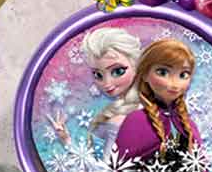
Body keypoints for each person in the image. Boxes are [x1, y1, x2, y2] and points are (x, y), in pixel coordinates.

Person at [115, 38, 206, 172]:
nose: (174, 83)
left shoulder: (188, 125)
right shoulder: (136, 121)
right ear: (144, 74)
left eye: (183, 75)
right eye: (163, 72)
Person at [47, 26, 143, 157]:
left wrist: (67, 142)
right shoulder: (127, 110)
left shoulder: (120, 120)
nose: (107, 83)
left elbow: (107, 168)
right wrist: (65, 138)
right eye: (98, 75)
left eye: (118, 71)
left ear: (137, 65)